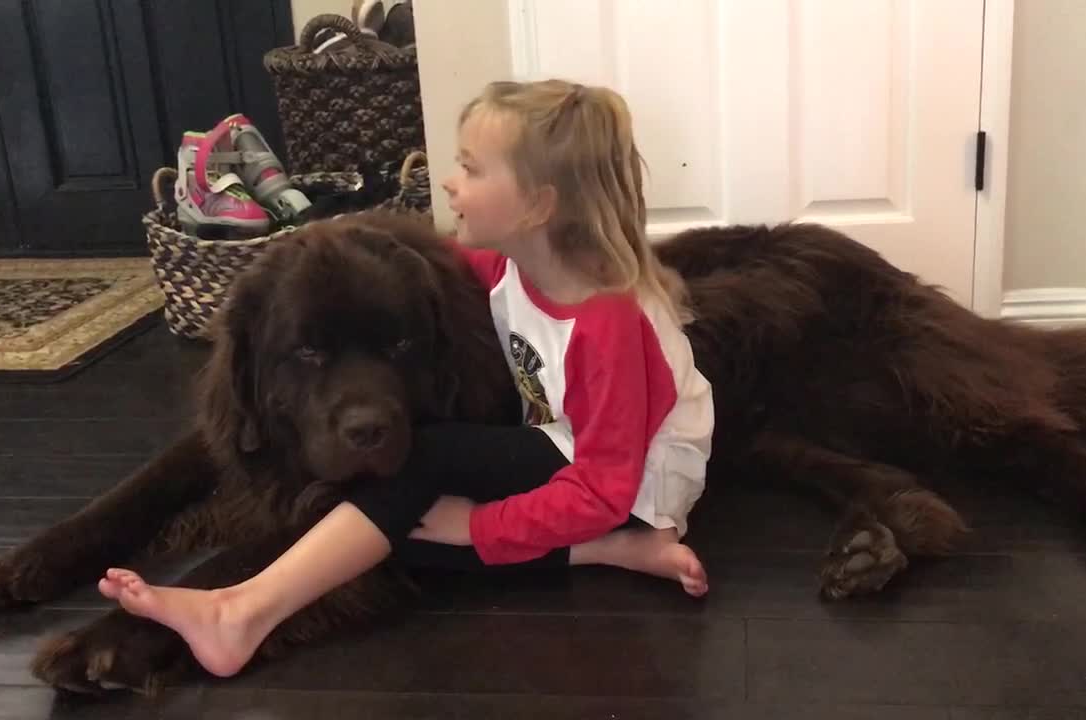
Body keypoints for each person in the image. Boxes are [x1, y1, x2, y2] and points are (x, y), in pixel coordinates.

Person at [96, 79, 716, 678]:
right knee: (388, 532)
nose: (449, 181)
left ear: (538, 206)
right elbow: (392, 261)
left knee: (423, 476)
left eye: (471, 169)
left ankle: (242, 611)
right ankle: (611, 552)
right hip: (573, 445)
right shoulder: (513, 263)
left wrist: (477, 527)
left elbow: (603, 487)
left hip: (639, 478)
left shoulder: (607, 321)